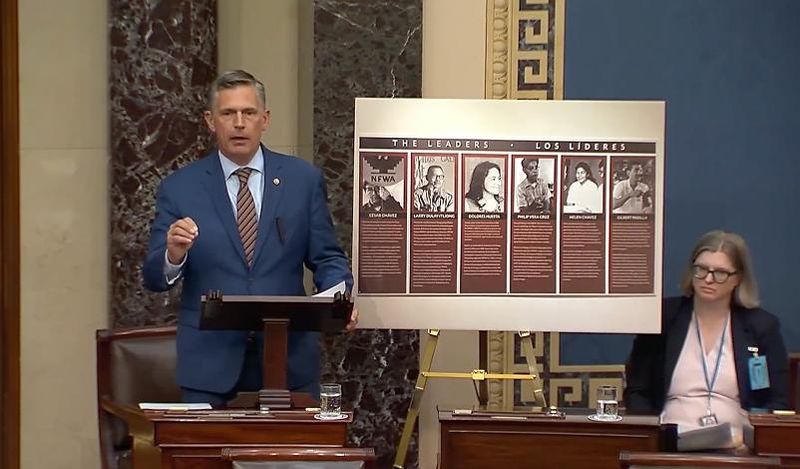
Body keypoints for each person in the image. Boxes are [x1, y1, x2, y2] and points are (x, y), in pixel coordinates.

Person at [142, 70, 357, 406]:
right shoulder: (180, 187)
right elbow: (155, 278)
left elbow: (327, 257)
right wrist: (173, 253)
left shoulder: (302, 180)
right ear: (210, 121)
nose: (239, 123)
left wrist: (338, 297)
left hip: (288, 362)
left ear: (265, 119)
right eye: (228, 114)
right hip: (209, 368)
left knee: (288, 459)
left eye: (249, 113)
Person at [625, 230, 788, 436]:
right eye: (701, 269)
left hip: (737, 447)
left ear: (738, 278)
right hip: (669, 441)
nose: (708, 279)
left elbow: (775, 399)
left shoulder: (761, 326)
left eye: (720, 273)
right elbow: (638, 390)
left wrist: (755, 440)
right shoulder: (663, 319)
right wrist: (650, 438)